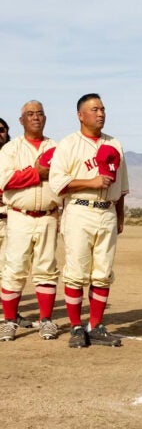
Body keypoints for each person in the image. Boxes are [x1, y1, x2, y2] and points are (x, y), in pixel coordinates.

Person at [49, 93, 129, 348]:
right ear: (80, 115)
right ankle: (75, 327)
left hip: (106, 211)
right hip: (80, 210)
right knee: (76, 273)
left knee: (103, 273)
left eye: (103, 109)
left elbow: (122, 186)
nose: (101, 113)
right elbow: (57, 184)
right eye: (94, 109)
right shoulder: (68, 144)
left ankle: (95, 326)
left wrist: (119, 214)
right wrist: (90, 182)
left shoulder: (115, 143)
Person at [0, 101, 62, 341]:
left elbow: (64, 181)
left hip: (48, 215)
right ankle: (9, 321)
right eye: (30, 114)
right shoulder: (10, 150)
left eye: (39, 114)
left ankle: (46, 320)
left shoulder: (57, 147)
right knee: (14, 269)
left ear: (45, 118)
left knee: (46, 269)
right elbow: (5, 180)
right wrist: (37, 173)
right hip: (19, 215)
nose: (35, 118)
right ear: (21, 120)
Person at [0, 117, 35, 330]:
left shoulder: (15, 155)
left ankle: (11, 314)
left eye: (2, 129)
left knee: (12, 270)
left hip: (11, 219)